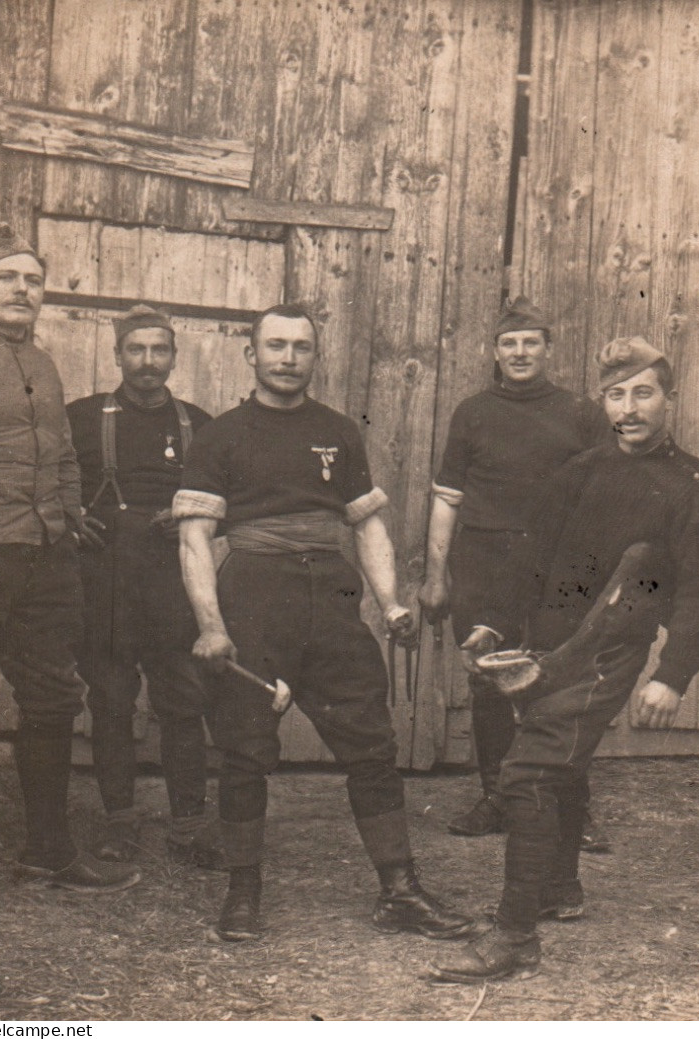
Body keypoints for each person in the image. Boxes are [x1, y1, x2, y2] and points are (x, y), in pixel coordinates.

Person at [430, 337, 699, 982]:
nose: (629, 408)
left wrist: (673, 677)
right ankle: (559, 887)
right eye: (616, 394)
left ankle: (513, 938)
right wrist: (491, 624)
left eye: (643, 392)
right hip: (547, 644)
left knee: (530, 774)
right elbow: (530, 556)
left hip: (609, 651)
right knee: (559, 768)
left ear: (669, 399)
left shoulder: (691, 483)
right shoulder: (581, 470)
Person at [173, 303, 471, 942]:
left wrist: (389, 602)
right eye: (274, 346)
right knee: (246, 752)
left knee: (371, 744)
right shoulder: (221, 436)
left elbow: (366, 523)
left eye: (300, 347)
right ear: (251, 355)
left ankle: (400, 890)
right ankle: (243, 891)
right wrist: (211, 625)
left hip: (331, 602)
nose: (287, 359)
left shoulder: (338, 430)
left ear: (314, 356)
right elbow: (195, 538)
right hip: (253, 598)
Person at [0, 222, 140, 899]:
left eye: (32, 279)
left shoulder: (44, 364)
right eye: (6, 277)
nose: (22, 290)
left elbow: (67, 458)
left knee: (53, 697)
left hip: (48, 562)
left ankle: (49, 849)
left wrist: (71, 520)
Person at [417, 298, 609, 845]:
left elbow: (605, 494)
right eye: (509, 343)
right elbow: (447, 497)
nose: (520, 353)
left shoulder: (581, 413)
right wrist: (436, 576)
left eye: (531, 342)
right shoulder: (473, 412)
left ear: (548, 349)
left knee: (563, 681)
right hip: (482, 560)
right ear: (495, 352)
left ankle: (573, 805)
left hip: (557, 567)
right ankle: (497, 798)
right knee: (490, 683)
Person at [66, 304, 222, 868]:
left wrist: (197, 521)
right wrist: (69, 515)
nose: (148, 361)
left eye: (160, 350)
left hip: (175, 579)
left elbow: (228, 501)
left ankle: (188, 825)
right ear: (118, 356)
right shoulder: (81, 418)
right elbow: (49, 481)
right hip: (105, 579)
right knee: (110, 701)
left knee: (183, 700)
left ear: (174, 357)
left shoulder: (200, 424)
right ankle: (120, 822)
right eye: (137, 349)